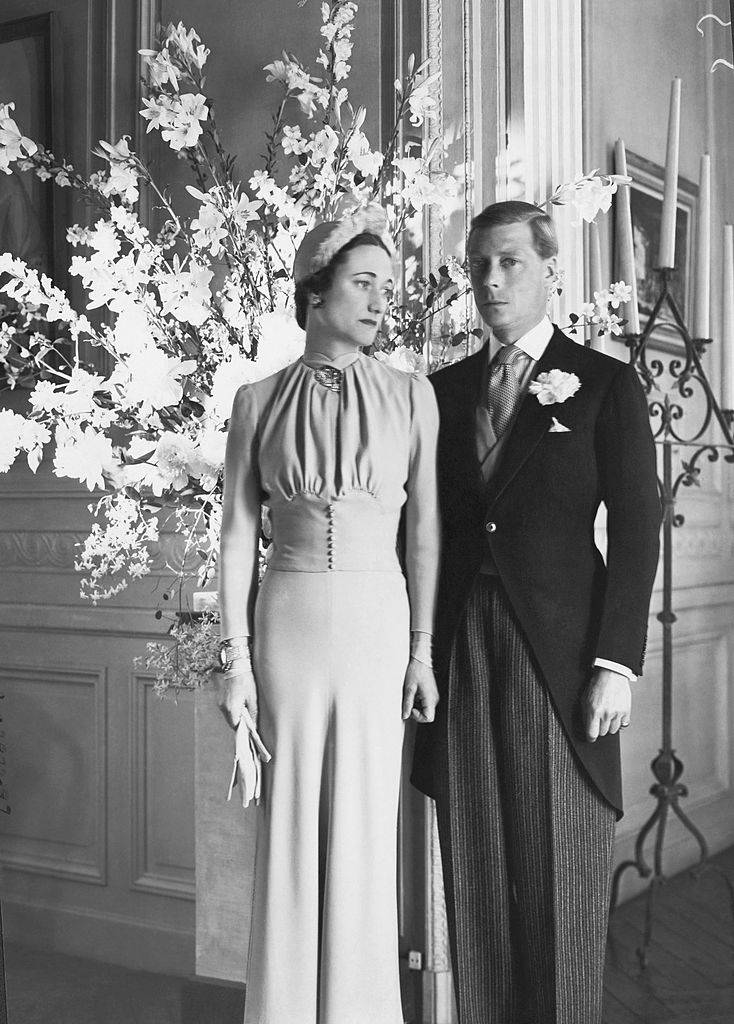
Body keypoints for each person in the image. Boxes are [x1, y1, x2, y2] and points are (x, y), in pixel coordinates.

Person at [411, 200, 661, 1024]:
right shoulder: (438, 394)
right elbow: (423, 528)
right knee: (476, 874)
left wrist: (616, 662)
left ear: (553, 269)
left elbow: (634, 525)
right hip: (457, 652)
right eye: (478, 264)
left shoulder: (604, 383)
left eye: (509, 262)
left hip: (562, 657)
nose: (489, 280)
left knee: (561, 882)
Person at [217, 207, 441, 1024]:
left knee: (364, 834)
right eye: (363, 283)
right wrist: (235, 661)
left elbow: (427, 536)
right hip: (290, 626)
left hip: (381, 626)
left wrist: (421, 651)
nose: (383, 300)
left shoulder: (413, 397)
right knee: (289, 832)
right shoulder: (256, 401)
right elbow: (237, 537)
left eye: (389, 286)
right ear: (316, 292)